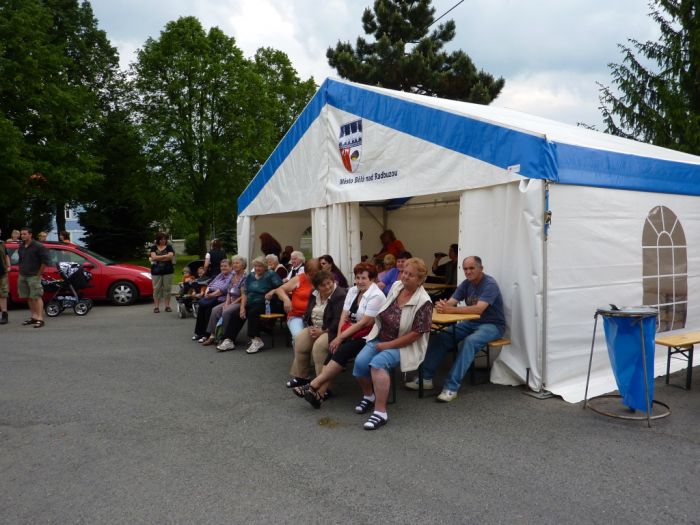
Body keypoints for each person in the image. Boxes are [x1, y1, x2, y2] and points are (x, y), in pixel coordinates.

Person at [406, 256, 505, 403]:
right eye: (465, 269)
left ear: (481, 269)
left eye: (472, 268)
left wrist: (449, 310)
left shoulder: (490, 284)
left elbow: (478, 309)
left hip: (493, 325)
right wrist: (442, 305)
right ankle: (425, 378)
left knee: (469, 342)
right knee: (442, 336)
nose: (468, 272)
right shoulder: (466, 284)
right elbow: (451, 303)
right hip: (471, 322)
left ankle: (451, 387)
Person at [352, 258, 433, 430]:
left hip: (404, 345)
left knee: (377, 364)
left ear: (420, 280)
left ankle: (380, 412)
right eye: (404, 272)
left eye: (410, 275)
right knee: (359, 363)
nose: (405, 276)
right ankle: (369, 396)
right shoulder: (397, 286)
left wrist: (387, 346)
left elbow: (415, 335)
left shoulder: (424, 302)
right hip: (381, 336)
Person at [293, 262, 385, 405]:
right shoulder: (353, 291)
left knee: (340, 351)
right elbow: (344, 315)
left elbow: (364, 322)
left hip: (368, 336)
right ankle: (319, 394)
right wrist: (339, 336)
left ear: (372, 279)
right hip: (350, 332)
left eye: (364, 278)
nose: (359, 281)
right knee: (334, 348)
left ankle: (312, 385)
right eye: (358, 277)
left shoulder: (376, 295)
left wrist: (341, 337)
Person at [286, 270, 346, 391]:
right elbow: (308, 311)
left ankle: (323, 386)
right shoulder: (314, 293)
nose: (327, 286)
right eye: (323, 285)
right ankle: (302, 377)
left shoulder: (339, 295)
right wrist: (310, 325)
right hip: (316, 327)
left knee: (319, 347)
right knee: (300, 341)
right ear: (317, 287)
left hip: (332, 330)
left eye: (329, 283)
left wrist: (322, 331)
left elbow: (338, 320)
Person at [218, 256, 283, 354]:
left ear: (265, 266)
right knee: (236, 314)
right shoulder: (251, 276)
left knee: (253, 312)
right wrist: (242, 307)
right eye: (256, 266)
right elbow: (245, 292)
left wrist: (272, 291)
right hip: (252, 302)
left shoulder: (271, 274)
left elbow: (281, 287)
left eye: (260, 266)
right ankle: (229, 340)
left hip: (268, 303)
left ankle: (256, 340)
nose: (257, 268)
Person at [268, 259, 320, 345]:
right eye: (311, 275)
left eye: (316, 275)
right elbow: (279, 290)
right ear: (305, 272)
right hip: (297, 316)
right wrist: (286, 300)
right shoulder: (299, 278)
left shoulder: (322, 280)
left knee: (316, 339)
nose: (313, 278)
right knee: (298, 337)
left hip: (316, 317)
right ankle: (299, 355)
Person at [201, 256, 247, 348]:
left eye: (237, 263)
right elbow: (229, 292)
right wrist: (226, 303)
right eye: (234, 263)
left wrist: (230, 304)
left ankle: (224, 337)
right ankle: (212, 335)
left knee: (226, 312)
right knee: (215, 310)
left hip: (239, 301)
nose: (234, 265)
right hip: (230, 300)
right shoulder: (233, 276)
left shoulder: (245, 277)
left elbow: (243, 295)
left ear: (243, 265)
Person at [192, 258, 234, 342]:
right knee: (202, 307)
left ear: (231, 267)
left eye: (225, 266)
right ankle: (199, 333)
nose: (223, 268)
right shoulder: (220, 274)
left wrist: (211, 295)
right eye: (221, 266)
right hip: (212, 296)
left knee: (208, 310)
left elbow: (223, 289)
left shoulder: (232, 275)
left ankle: (207, 335)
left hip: (221, 298)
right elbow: (211, 283)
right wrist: (207, 292)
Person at [17, 228, 51, 328]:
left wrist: (39, 274)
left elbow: (45, 261)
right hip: (23, 275)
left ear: (30, 235)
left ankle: (40, 318)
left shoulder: (38, 246)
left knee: (36, 296)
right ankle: (34, 316)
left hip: (34, 276)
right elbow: (21, 260)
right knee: (29, 297)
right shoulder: (21, 246)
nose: (22, 236)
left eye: (24, 234)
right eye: (21, 234)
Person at [149, 232, 175, 313]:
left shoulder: (169, 247)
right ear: (158, 240)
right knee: (156, 289)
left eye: (165, 239)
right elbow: (153, 257)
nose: (163, 241)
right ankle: (156, 307)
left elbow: (170, 256)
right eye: (161, 239)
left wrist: (158, 258)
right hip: (156, 271)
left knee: (167, 289)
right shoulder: (153, 247)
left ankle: (167, 306)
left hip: (168, 271)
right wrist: (165, 256)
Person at [0, 228, 10, 325]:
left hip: (2, 272)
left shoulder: (2, 244)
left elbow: (6, 256)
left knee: (3, 294)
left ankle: (4, 314)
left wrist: (9, 266)